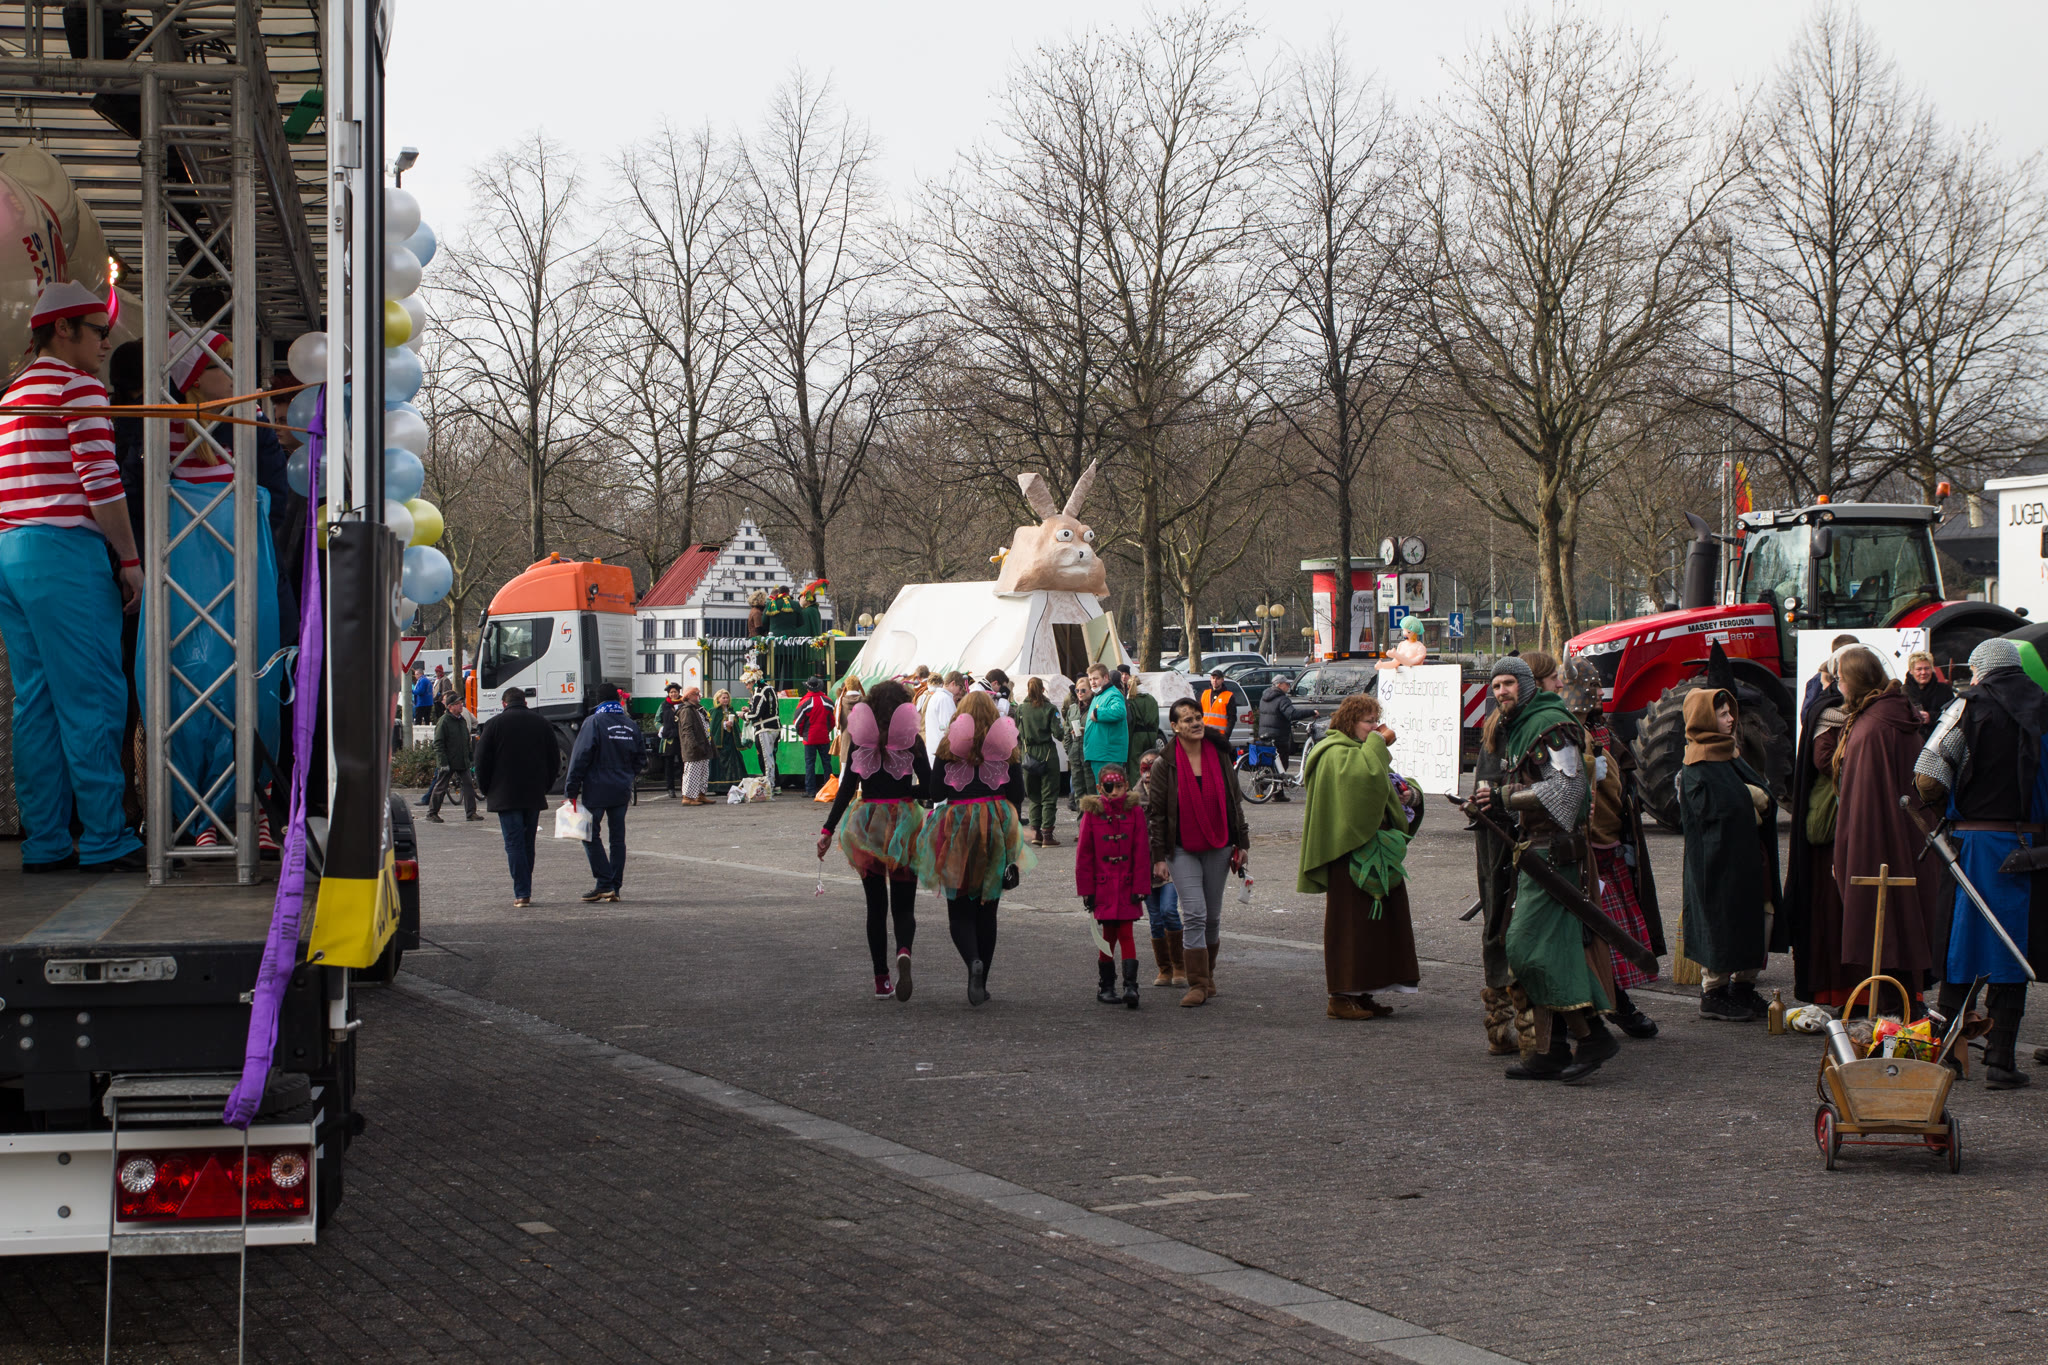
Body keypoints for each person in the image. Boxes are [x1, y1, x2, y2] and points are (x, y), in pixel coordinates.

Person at [0, 281, 145, 873]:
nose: (106, 342)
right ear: (63, 329)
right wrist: (130, 559)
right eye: (98, 331)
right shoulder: (77, 386)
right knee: (94, 696)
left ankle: (46, 840)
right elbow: (101, 483)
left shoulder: (14, 391)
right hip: (64, 552)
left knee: (35, 702)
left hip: (13, 549)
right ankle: (107, 837)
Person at [1915, 638, 2048, 1089]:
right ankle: (2000, 1061)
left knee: (1963, 947)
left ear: (1981, 670)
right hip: (2031, 848)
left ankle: (1945, 1055)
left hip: (1973, 846)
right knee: (2013, 949)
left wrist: (1948, 809)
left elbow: (1927, 777)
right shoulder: (2044, 708)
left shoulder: (1966, 708)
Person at [1482, 656, 1619, 1083]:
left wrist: (1504, 797)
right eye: (1496, 685)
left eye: (1508, 683)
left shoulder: (1550, 726)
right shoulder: (1522, 725)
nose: (1501, 691)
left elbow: (1567, 789)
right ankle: (1553, 1049)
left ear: (1525, 684)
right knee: (1540, 950)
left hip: (1557, 855)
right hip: (1536, 851)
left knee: (1527, 948)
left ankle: (1593, 1035)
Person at [1831, 645, 1944, 1017]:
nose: (1838, 685)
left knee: (1887, 924)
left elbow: (1864, 804)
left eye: (1842, 678)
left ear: (1856, 680)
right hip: (1901, 838)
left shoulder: (1873, 727)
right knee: (1900, 923)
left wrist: (1851, 850)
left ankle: (1897, 1017)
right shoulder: (1892, 714)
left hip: (1877, 841)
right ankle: (1904, 1011)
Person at [1299, 693, 1420, 1020]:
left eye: (1376, 720)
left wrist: (1409, 794)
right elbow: (1364, 781)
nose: (1376, 727)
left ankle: (1365, 991)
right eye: (1369, 722)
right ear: (1350, 722)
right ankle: (1340, 996)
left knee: (1378, 927)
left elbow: (1384, 784)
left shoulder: (1361, 751)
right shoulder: (1333, 753)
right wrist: (1379, 743)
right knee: (1350, 925)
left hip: (1377, 853)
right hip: (1347, 854)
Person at [1561, 656, 1664, 1038]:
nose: (1593, 695)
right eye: (1587, 688)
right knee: (1589, 936)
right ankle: (1605, 1008)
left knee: (1608, 934)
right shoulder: (1565, 732)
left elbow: (1619, 791)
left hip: (1608, 845)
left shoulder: (1599, 731)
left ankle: (1613, 1004)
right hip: (1580, 849)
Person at [818, 679, 933, 1001]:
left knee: (875, 906)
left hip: (867, 823)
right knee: (904, 905)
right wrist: (907, 792)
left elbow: (845, 789)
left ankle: (881, 979)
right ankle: (904, 950)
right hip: (904, 824)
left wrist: (828, 830)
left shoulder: (860, 739)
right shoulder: (911, 740)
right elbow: (931, 787)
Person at [913, 691, 1029, 1005]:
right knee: (988, 910)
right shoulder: (1005, 746)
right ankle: (982, 982)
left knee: (959, 909)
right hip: (994, 826)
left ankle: (972, 962)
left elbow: (936, 791)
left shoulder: (949, 744)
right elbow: (1017, 793)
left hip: (957, 827)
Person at [1679, 689, 1783, 1021]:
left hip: (1749, 857)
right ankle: (1714, 993)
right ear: (1705, 718)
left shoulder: (1729, 754)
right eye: (1722, 713)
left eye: (1729, 712)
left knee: (1761, 917)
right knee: (1722, 921)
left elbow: (1762, 797)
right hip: (1718, 863)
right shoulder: (1698, 763)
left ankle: (1743, 987)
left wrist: (1753, 797)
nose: (1730, 718)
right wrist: (1747, 798)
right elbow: (1716, 812)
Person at [1146, 697, 1251, 1008]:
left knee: (1212, 917)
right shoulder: (1164, 764)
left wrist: (1242, 843)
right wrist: (1158, 857)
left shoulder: (1219, 754)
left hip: (1219, 844)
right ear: (1175, 726)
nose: (1195, 723)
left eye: (1197, 717)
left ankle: (1208, 975)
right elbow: (1157, 814)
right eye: (1187, 719)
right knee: (1194, 912)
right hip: (1180, 848)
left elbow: (1234, 802)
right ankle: (1197, 983)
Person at [1788, 656, 1853, 1005]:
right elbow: (1822, 760)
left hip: (1850, 824)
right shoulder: (1828, 714)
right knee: (1830, 908)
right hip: (1829, 827)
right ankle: (1835, 987)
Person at [474, 687, 559, 906]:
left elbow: (481, 761)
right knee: (528, 842)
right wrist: (546, 785)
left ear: (504, 703)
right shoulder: (542, 723)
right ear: (525, 702)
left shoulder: (493, 725)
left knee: (513, 843)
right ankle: (524, 887)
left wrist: (486, 789)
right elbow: (554, 759)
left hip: (505, 794)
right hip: (533, 792)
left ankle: (522, 892)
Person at [564, 682, 647, 903]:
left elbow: (580, 757)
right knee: (618, 838)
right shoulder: (630, 724)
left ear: (598, 700)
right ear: (618, 699)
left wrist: (571, 789)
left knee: (588, 833)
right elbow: (641, 758)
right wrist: (627, 775)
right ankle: (615, 887)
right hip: (621, 789)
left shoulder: (593, 722)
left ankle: (604, 882)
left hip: (597, 788)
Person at [1076, 764, 1150, 1008]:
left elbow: (1141, 851)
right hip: (1103, 886)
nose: (1115, 791)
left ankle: (1131, 986)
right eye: (1110, 786)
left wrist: (1141, 886)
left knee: (1126, 933)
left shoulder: (1135, 812)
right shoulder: (1092, 814)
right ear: (1100, 788)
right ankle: (1106, 986)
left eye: (1119, 786)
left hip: (1128, 885)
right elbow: (1084, 854)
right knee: (1107, 935)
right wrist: (1086, 890)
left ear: (1127, 785)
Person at [1134, 750, 1187, 987]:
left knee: (1169, 911)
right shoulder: (1133, 801)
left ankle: (1180, 965)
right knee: (1155, 919)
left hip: (1169, 864)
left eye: (1152, 768)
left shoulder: (1173, 795)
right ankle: (1164, 969)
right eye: (1144, 769)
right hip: (1145, 868)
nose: (1148, 774)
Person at [1013, 676, 1064, 846]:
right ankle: (1047, 835)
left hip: (1028, 754)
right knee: (1049, 794)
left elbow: (1016, 731)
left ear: (1028, 691)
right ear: (1043, 689)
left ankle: (1036, 833)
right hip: (1047, 753)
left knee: (1034, 795)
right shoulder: (1050, 709)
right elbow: (1059, 733)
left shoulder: (1021, 709)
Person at [1256, 675, 1313, 801]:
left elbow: (1274, 714)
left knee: (1274, 764)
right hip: (1278, 736)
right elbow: (1292, 714)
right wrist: (1311, 712)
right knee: (1283, 764)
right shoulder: (1282, 699)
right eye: (1286, 684)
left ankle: (1278, 793)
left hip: (1264, 734)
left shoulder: (1265, 697)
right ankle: (1264, 784)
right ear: (1279, 685)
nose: (1288, 686)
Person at [427, 699, 482, 822]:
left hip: (462, 760)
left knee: (468, 786)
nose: (461, 705)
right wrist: (443, 762)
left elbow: (466, 740)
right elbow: (438, 743)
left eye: (461, 703)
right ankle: (432, 813)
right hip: (449, 760)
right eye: (457, 704)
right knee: (441, 786)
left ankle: (471, 813)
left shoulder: (461, 720)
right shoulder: (444, 721)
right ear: (450, 707)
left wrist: (470, 757)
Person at [1082, 663, 1128, 795]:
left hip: (1107, 754)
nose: (1092, 682)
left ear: (1106, 677)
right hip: (1099, 753)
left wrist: (1098, 714)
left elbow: (1119, 711)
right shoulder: (1100, 695)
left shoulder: (1112, 694)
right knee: (1103, 793)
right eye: (1090, 679)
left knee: (1109, 793)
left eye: (1096, 678)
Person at [792, 675, 834, 796]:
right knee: (827, 763)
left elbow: (797, 722)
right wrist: (827, 730)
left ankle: (810, 790)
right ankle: (828, 789)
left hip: (810, 738)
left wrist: (802, 734)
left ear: (808, 688)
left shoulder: (805, 702)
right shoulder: (828, 701)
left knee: (810, 764)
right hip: (824, 737)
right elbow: (832, 720)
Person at [676, 685, 713, 804]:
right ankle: (688, 797)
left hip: (703, 745)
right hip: (694, 747)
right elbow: (687, 730)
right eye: (696, 694)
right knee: (692, 772)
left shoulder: (698, 709)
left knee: (703, 771)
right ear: (689, 696)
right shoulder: (686, 710)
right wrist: (694, 745)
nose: (699, 696)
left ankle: (700, 794)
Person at [921, 670, 965, 770]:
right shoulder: (945, 699)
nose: (960, 692)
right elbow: (949, 729)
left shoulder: (936, 696)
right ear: (953, 683)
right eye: (960, 687)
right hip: (943, 755)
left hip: (935, 751)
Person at [748, 668, 782, 796]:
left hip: (765, 728)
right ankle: (776, 785)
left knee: (766, 759)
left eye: (747, 683)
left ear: (753, 681)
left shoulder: (760, 691)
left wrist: (745, 715)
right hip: (774, 727)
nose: (746, 687)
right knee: (771, 757)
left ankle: (769, 786)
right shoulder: (770, 688)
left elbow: (756, 714)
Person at [1902, 650, 1952, 737]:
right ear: (1911, 671)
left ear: (1932, 669)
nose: (1923, 672)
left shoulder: (1945, 690)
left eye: (1927, 668)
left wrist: (1931, 717)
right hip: (1912, 740)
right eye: (1919, 669)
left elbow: (1953, 716)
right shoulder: (1903, 693)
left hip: (1939, 739)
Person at [1062, 675, 1094, 811]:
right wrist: (1069, 750)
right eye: (1077, 690)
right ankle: (1082, 823)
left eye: (1083, 690)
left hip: (1090, 754)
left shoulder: (1095, 707)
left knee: (1091, 792)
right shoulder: (1073, 708)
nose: (1080, 693)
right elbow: (1066, 731)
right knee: (1078, 794)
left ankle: (1093, 821)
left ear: (1091, 691)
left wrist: (1086, 731)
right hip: (1076, 754)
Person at [709, 687, 748, 794]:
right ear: (718, 699)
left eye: (727, 698)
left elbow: (736, 725)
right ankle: (719, 787)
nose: (725, 700)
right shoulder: (714, 711)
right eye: (723, 698)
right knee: (719, 763)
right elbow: (713, 727)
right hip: (720, 742)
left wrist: (734, 726)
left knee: (734, 762)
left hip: (731, 741)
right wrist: (724, 724)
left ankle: (734, 785)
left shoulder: (731, 711)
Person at [657, 682, 687, 797]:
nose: (673, 694)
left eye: (675, 692)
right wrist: (661, 728)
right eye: (671, 692)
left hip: (682, 738)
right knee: (669, 764)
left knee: (683, 764)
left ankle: (685, 788)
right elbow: (657, 720)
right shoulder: (664, 705)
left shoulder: (684, 704)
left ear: (679, 693)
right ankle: (670, 788)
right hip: (669, 738)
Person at [1200, 667, 1239, 740]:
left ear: (1222, 680)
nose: (1215, 680)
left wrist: (1226, 735)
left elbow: (1232, 718)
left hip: (1219, 736)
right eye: (1213, 678)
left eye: (1217, 678)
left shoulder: (1228, 696)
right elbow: (1199, 714)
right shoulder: (1205, 693)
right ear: (1210, 679)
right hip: (1205, 734)